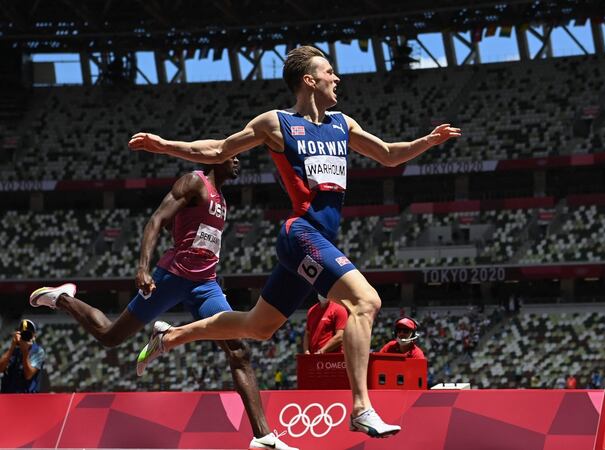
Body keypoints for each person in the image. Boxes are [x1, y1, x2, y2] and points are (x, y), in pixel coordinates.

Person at [128, 44, 460, 439]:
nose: (336, 78)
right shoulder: (276, 123)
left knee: (258, 326)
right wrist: (163, 145)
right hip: (299, 233)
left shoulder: (342, 124)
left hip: (317, 239)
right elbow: (218, 149)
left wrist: (429, 140)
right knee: (365, 301)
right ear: (310, 80)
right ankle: (361, 408)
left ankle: (170, 336)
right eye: (329, 72)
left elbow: (388, 155)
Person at [27, 159, 297, 450]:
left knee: (238, 351)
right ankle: (63, 298)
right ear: (216, 156)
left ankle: (263, 436)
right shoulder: (194, 183)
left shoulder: (223, 198)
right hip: (171, 277)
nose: (238, 161)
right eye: (232, 156)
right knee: (110, 336)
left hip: (206, 285)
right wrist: (143, 267)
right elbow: (156, 220)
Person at [0, 319, 46, 393]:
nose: (25, 337)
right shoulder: (13, 351)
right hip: (8, 396)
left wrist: (25, 351)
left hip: (26, 398)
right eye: (23, 334)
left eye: (28, 334)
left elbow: (28, 375)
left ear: (34, 337)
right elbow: (0, 368)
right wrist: (12, 347)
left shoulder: (38, 351)